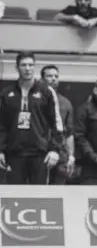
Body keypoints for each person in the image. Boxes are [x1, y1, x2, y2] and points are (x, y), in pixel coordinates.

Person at [0, 52, 63, 184]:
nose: (27, 68)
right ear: (17, 68)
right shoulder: (6, 93)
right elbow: (2, 125)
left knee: (39, 194)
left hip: (40, 154)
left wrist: (54, 150)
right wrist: (1, 150)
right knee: (14, 194)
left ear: (35, 67)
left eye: (30, 65)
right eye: (23, 65)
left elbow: (56, 123)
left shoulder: (47, 91)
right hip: (14, 153)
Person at [41, 65, 75, 184]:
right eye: (49, 76)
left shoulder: (65, 103)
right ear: (42, 79)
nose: (53, 78)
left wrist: (71, 156)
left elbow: (69, 132)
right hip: (40, 152)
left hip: (61, 154)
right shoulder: (35, 100)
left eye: (56, 76)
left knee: (58, 190)